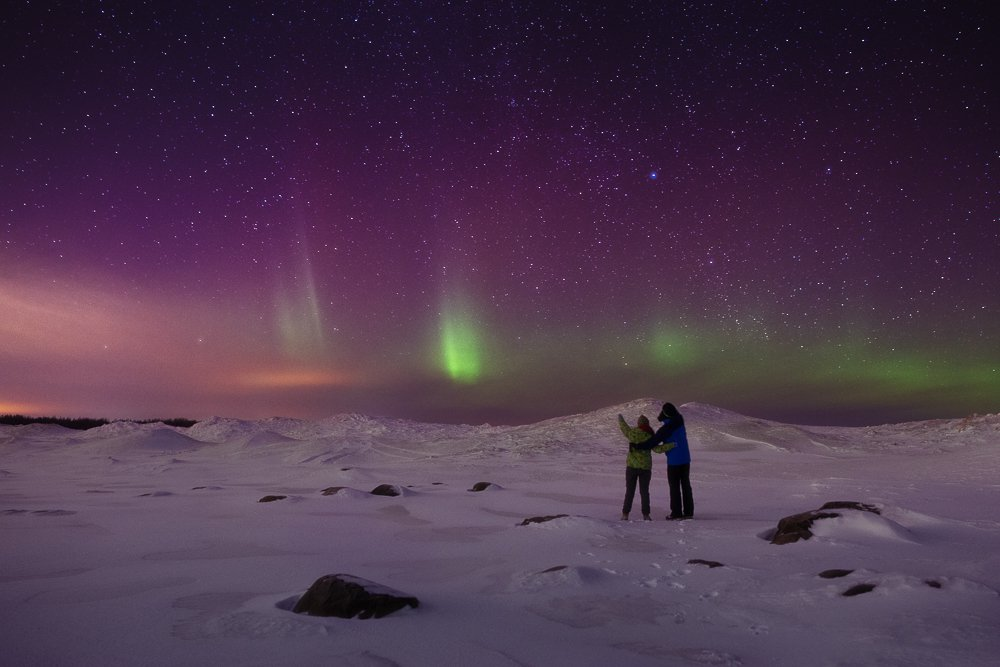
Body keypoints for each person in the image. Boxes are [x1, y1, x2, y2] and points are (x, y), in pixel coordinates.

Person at [636, 402, 693, 520]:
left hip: (674, 461)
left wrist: (637, 446)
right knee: (686, 485)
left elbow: (652, 442)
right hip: (686, 459)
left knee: (674, 487)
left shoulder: (666, 429)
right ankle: (688, 513)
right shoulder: (680, 421)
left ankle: (676, 513)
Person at [617, 413, 656, 521]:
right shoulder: (650, 435)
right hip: (645, 468)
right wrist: (671, 445)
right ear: (647, 424)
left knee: (629, 491)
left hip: (631, 467)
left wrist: (620, 418)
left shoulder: (632, 433)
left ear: (638, 424)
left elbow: (624, 428)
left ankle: (625, 514)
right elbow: (657, 449)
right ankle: (646, 515)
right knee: (644, 491)